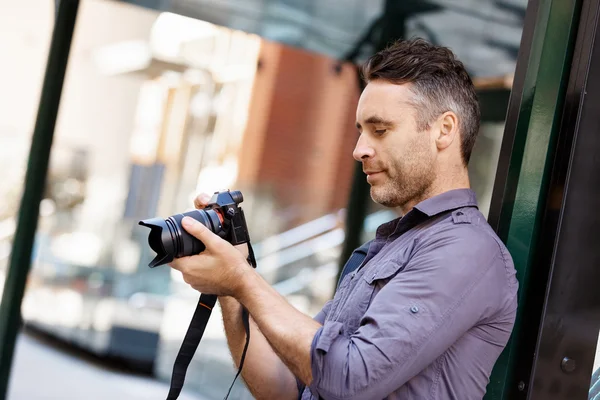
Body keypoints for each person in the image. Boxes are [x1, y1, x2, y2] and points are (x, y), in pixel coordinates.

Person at [170, 38, 519, 400]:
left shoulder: (464, 249)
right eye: (360, 132)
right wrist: (230, 281)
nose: (359, 150)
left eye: (380, 130)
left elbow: (351, 381)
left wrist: (242, 280)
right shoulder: (389, 248)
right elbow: (284, 387)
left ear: (444, 130)